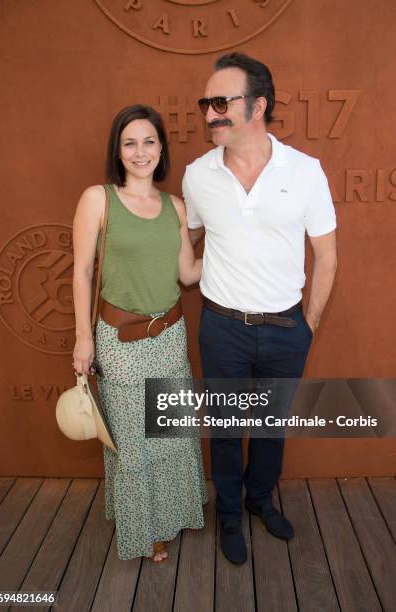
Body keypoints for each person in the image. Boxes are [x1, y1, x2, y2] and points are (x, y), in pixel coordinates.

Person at [183, 53, 337, 564]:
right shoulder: (197, 175)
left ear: (258, 106)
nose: (210, 113)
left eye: (221, 102)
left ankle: (259, 501)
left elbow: (328, 255)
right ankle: (229, 515)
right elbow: (192, 241)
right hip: (222, 326)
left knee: (272, 428)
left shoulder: (306, 171)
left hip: (286, 328)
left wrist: (307, 326)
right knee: (226, 431)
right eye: (207, 103)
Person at [72, 105, 207, 563]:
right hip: (121, 341)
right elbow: (81, 272)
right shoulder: (98, 199)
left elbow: (188, 274)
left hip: (170, 336)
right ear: (118, 150)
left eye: (149, 141)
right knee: (133, 443)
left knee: (170, 437)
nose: (140, 151)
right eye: (130, 142)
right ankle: (142, 528)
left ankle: (173, 514)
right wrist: (83, 339)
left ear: (161, 148)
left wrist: (239, 251)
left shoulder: (175, 207)